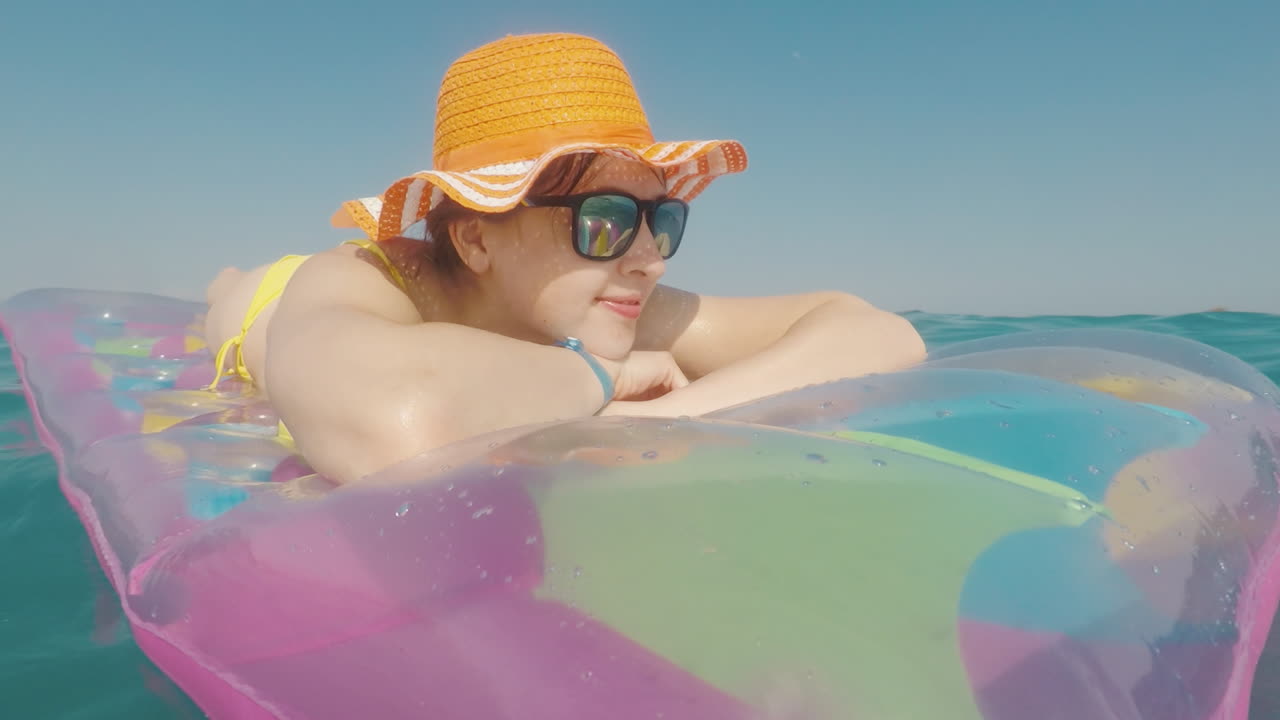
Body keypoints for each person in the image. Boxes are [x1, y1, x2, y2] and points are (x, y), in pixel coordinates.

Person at [204, 32, 926, 485]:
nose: (651, 260)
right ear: (477, 237)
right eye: (605, 219)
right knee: (233, 296)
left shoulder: (602, 295)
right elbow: (403, 427)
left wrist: (656, 420)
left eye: (661, 219)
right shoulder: (360, 283)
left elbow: (881, 335)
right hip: (270, 311)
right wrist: (600, 375)